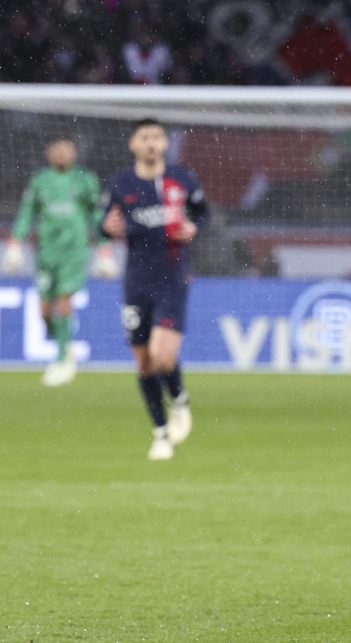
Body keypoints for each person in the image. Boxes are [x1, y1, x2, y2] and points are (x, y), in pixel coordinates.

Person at [101, 118, 208, 461]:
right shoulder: (121, 183)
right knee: (145, 363)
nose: (151, 142)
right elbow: (104, 224)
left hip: (173, 278)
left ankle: (179, 399)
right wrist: (106, 228)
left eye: (157, 137)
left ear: (164, 143)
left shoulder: (183, 179)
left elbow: (202, 214)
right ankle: (161, 434)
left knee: (163, 356)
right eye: (145, 137)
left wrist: (193, 227)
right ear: (133, 143)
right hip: (135, 282)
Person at [3, 137, 117, 386]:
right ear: (49, 153)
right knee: (44, 311)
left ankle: (63, 357)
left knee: (64, 300)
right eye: (58, 150)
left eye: (68, 149)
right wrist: (15, 243)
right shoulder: (40, 181)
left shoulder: (85, 180)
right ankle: (64, 343)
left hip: (74, 251)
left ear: (74, 153)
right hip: (46, 252)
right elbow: (26, 213)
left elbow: (95, 214)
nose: (63, 154)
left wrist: (104, 248)